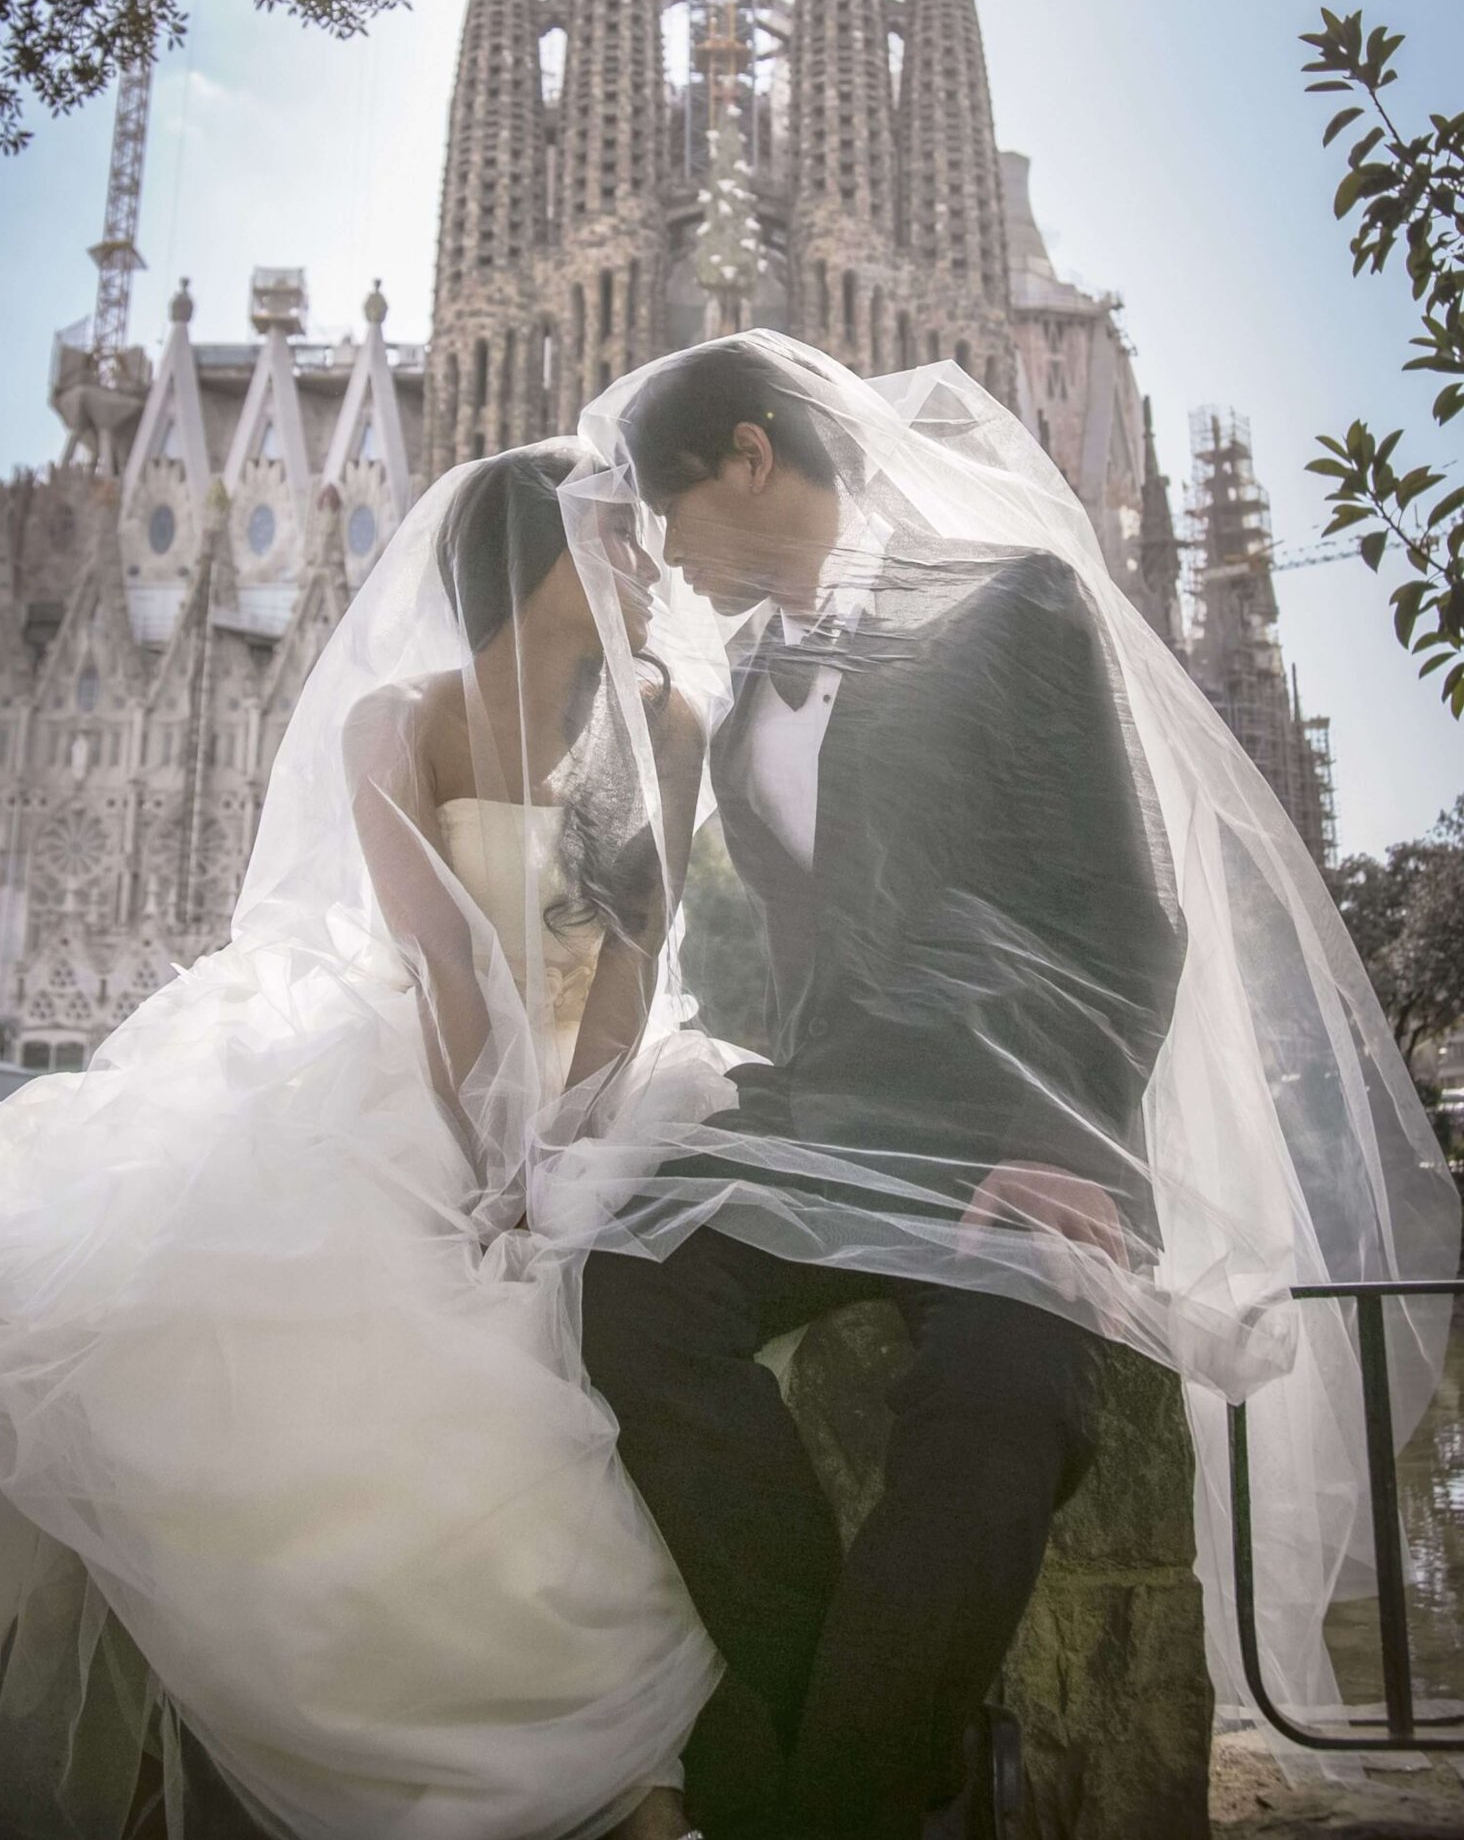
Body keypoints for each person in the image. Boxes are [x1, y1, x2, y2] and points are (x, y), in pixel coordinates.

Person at [549, 334, 1459, 1840]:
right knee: (626, 1295)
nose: (671, 558)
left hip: (1019, 1111)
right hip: (836, 1109)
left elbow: (1123, 903)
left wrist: (1065, 1144)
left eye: (672, 512)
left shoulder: (1012, 604)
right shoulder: (751, 681)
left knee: (995, 1401)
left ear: (754, 457)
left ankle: (810, 1804)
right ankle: (880, 1748)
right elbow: (772, 937)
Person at [0, 445, 722, 1840]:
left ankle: (602, 1773)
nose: (649, 567)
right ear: (538, 558)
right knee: (290, 1327)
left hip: (594, 1084)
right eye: (618, 540)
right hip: (427, 1077)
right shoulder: (400, 720)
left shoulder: (664, 723)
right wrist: (491, 1165)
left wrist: (573, 1142)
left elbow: (629, 958)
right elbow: (444, 960)